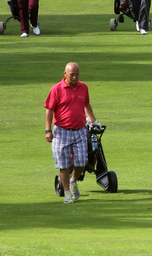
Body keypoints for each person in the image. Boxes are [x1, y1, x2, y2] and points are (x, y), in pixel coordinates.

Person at [45, 62, 97, 204]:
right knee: (64, 164)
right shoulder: (56, 89)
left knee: (82, 161)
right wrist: (48, 130)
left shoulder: (83, 87)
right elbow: (49, 110)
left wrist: (93, 120)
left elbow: (86, 104)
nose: (74, 77)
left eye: (77, 74)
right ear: (65, 74)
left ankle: (73, 180)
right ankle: (67, 192)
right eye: (72, 74)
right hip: (62, 132)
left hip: (80, 130)